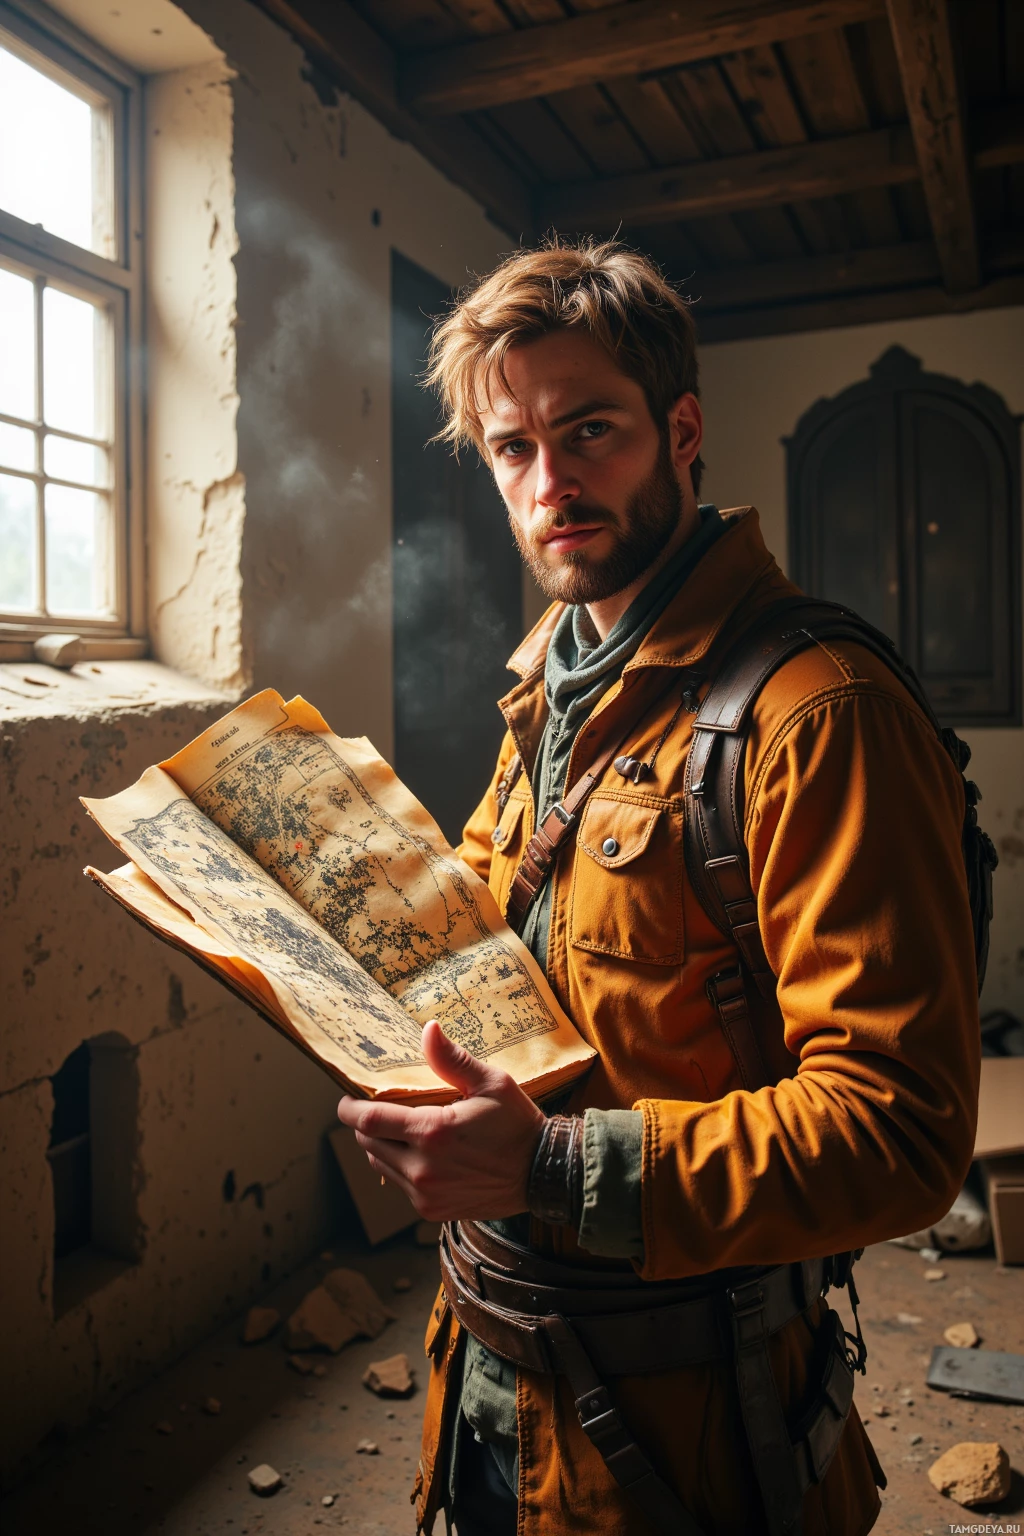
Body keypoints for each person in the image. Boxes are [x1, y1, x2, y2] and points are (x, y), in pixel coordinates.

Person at [337, 239, 980, 1536]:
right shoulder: (553, 681)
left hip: (693, 1427)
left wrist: (555, 1167)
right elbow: (494, 924)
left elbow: (899, 1134)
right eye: (512, 449)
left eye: (591, 432)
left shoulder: (817, 713)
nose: (550, 482)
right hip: (487, 1378)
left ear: (681, 430)